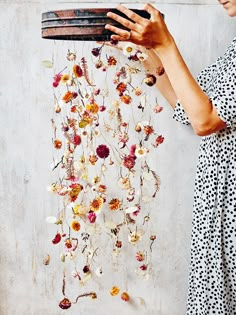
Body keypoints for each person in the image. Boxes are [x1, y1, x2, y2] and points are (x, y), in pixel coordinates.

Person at [105, 2, 236, 315]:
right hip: (217, 203)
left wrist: (165, 43)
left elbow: (206, 121)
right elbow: (189, 106)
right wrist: (143, 50)